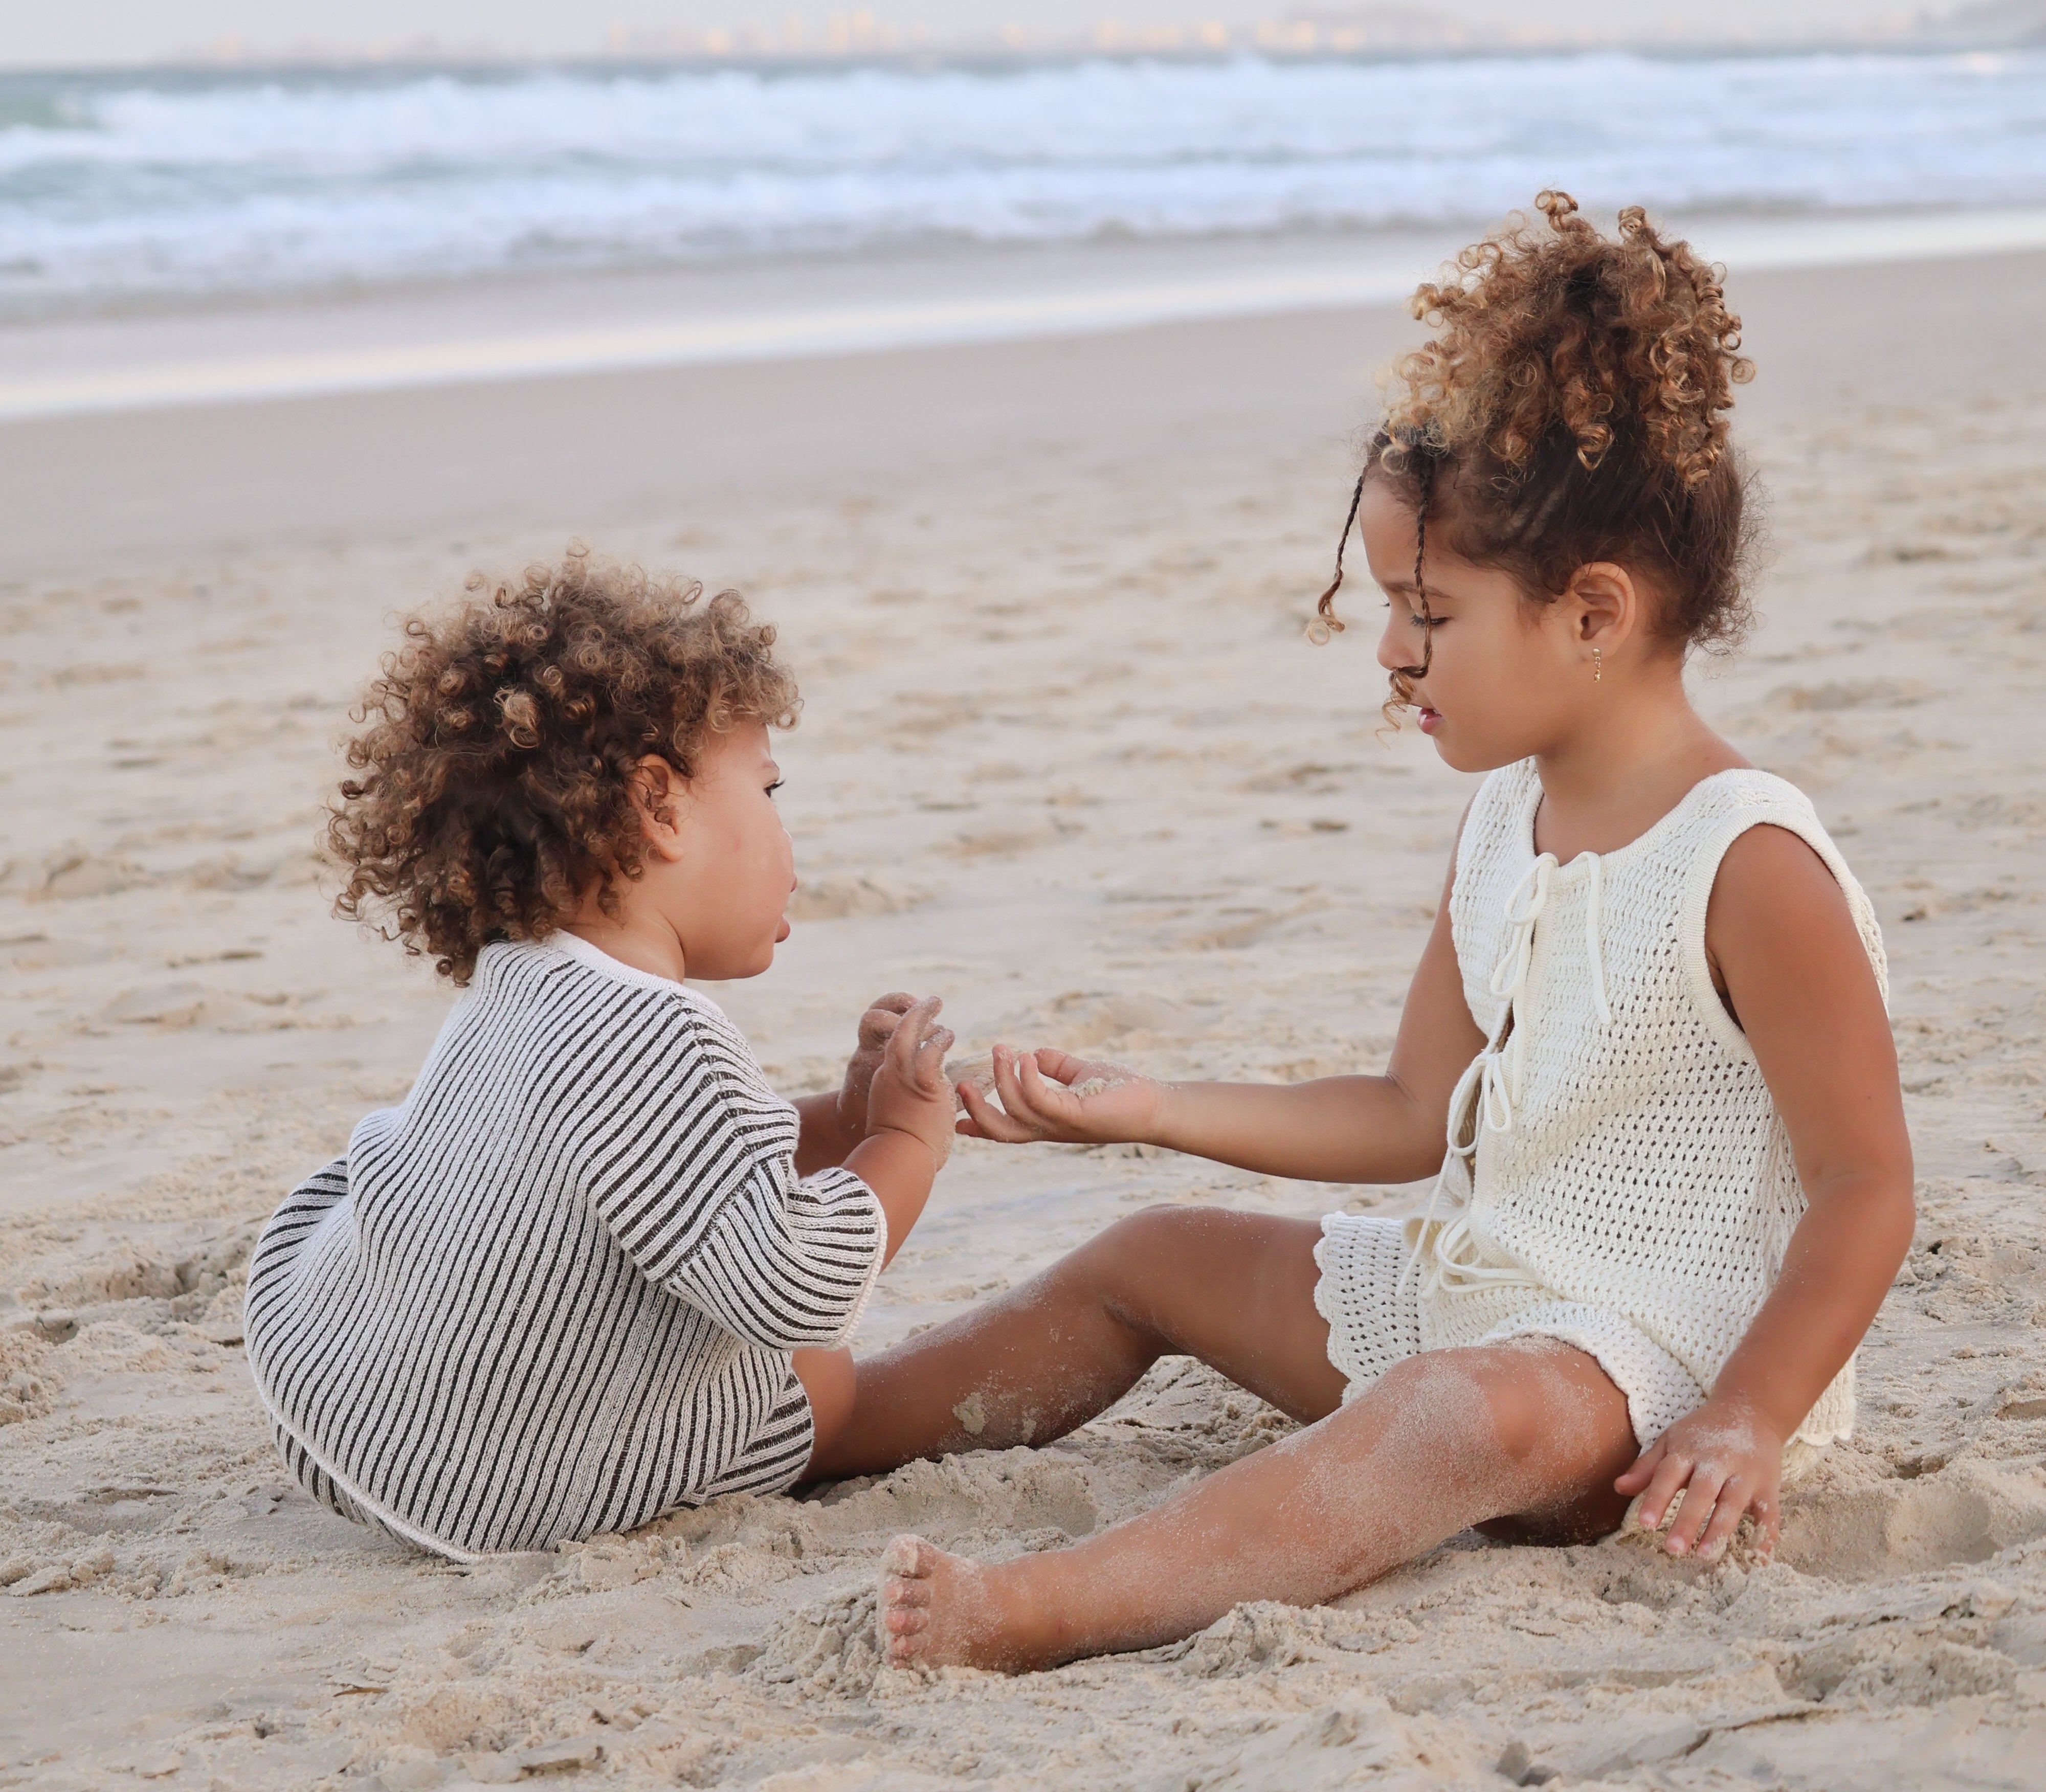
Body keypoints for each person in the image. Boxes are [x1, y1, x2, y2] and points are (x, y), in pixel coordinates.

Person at [822, 194, 1915, 1673]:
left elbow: (1865, 1188)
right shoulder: (1501, 823)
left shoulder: (1750, 861)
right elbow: (1410, 1112)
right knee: (1152, 1251)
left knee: (1453, 1416)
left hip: (1649, 1367)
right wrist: (1144, 1110)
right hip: (1474, 1278)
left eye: (1431, 612)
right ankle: (820, 1429)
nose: (1393, 651)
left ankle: (1040, 1608)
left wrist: (1748, 1415)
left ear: (1592, 614)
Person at [242, 554, 955, 1562]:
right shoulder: (665, 1039)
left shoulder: (528, 976)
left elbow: (658, 1167)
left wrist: (840, 1117)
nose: (789, 839)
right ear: (659, 808)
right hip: (499, 1490)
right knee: (816, 1373)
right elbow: (795, 1280)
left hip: (350, 1415)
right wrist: (902, 1142)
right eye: (768, 789)